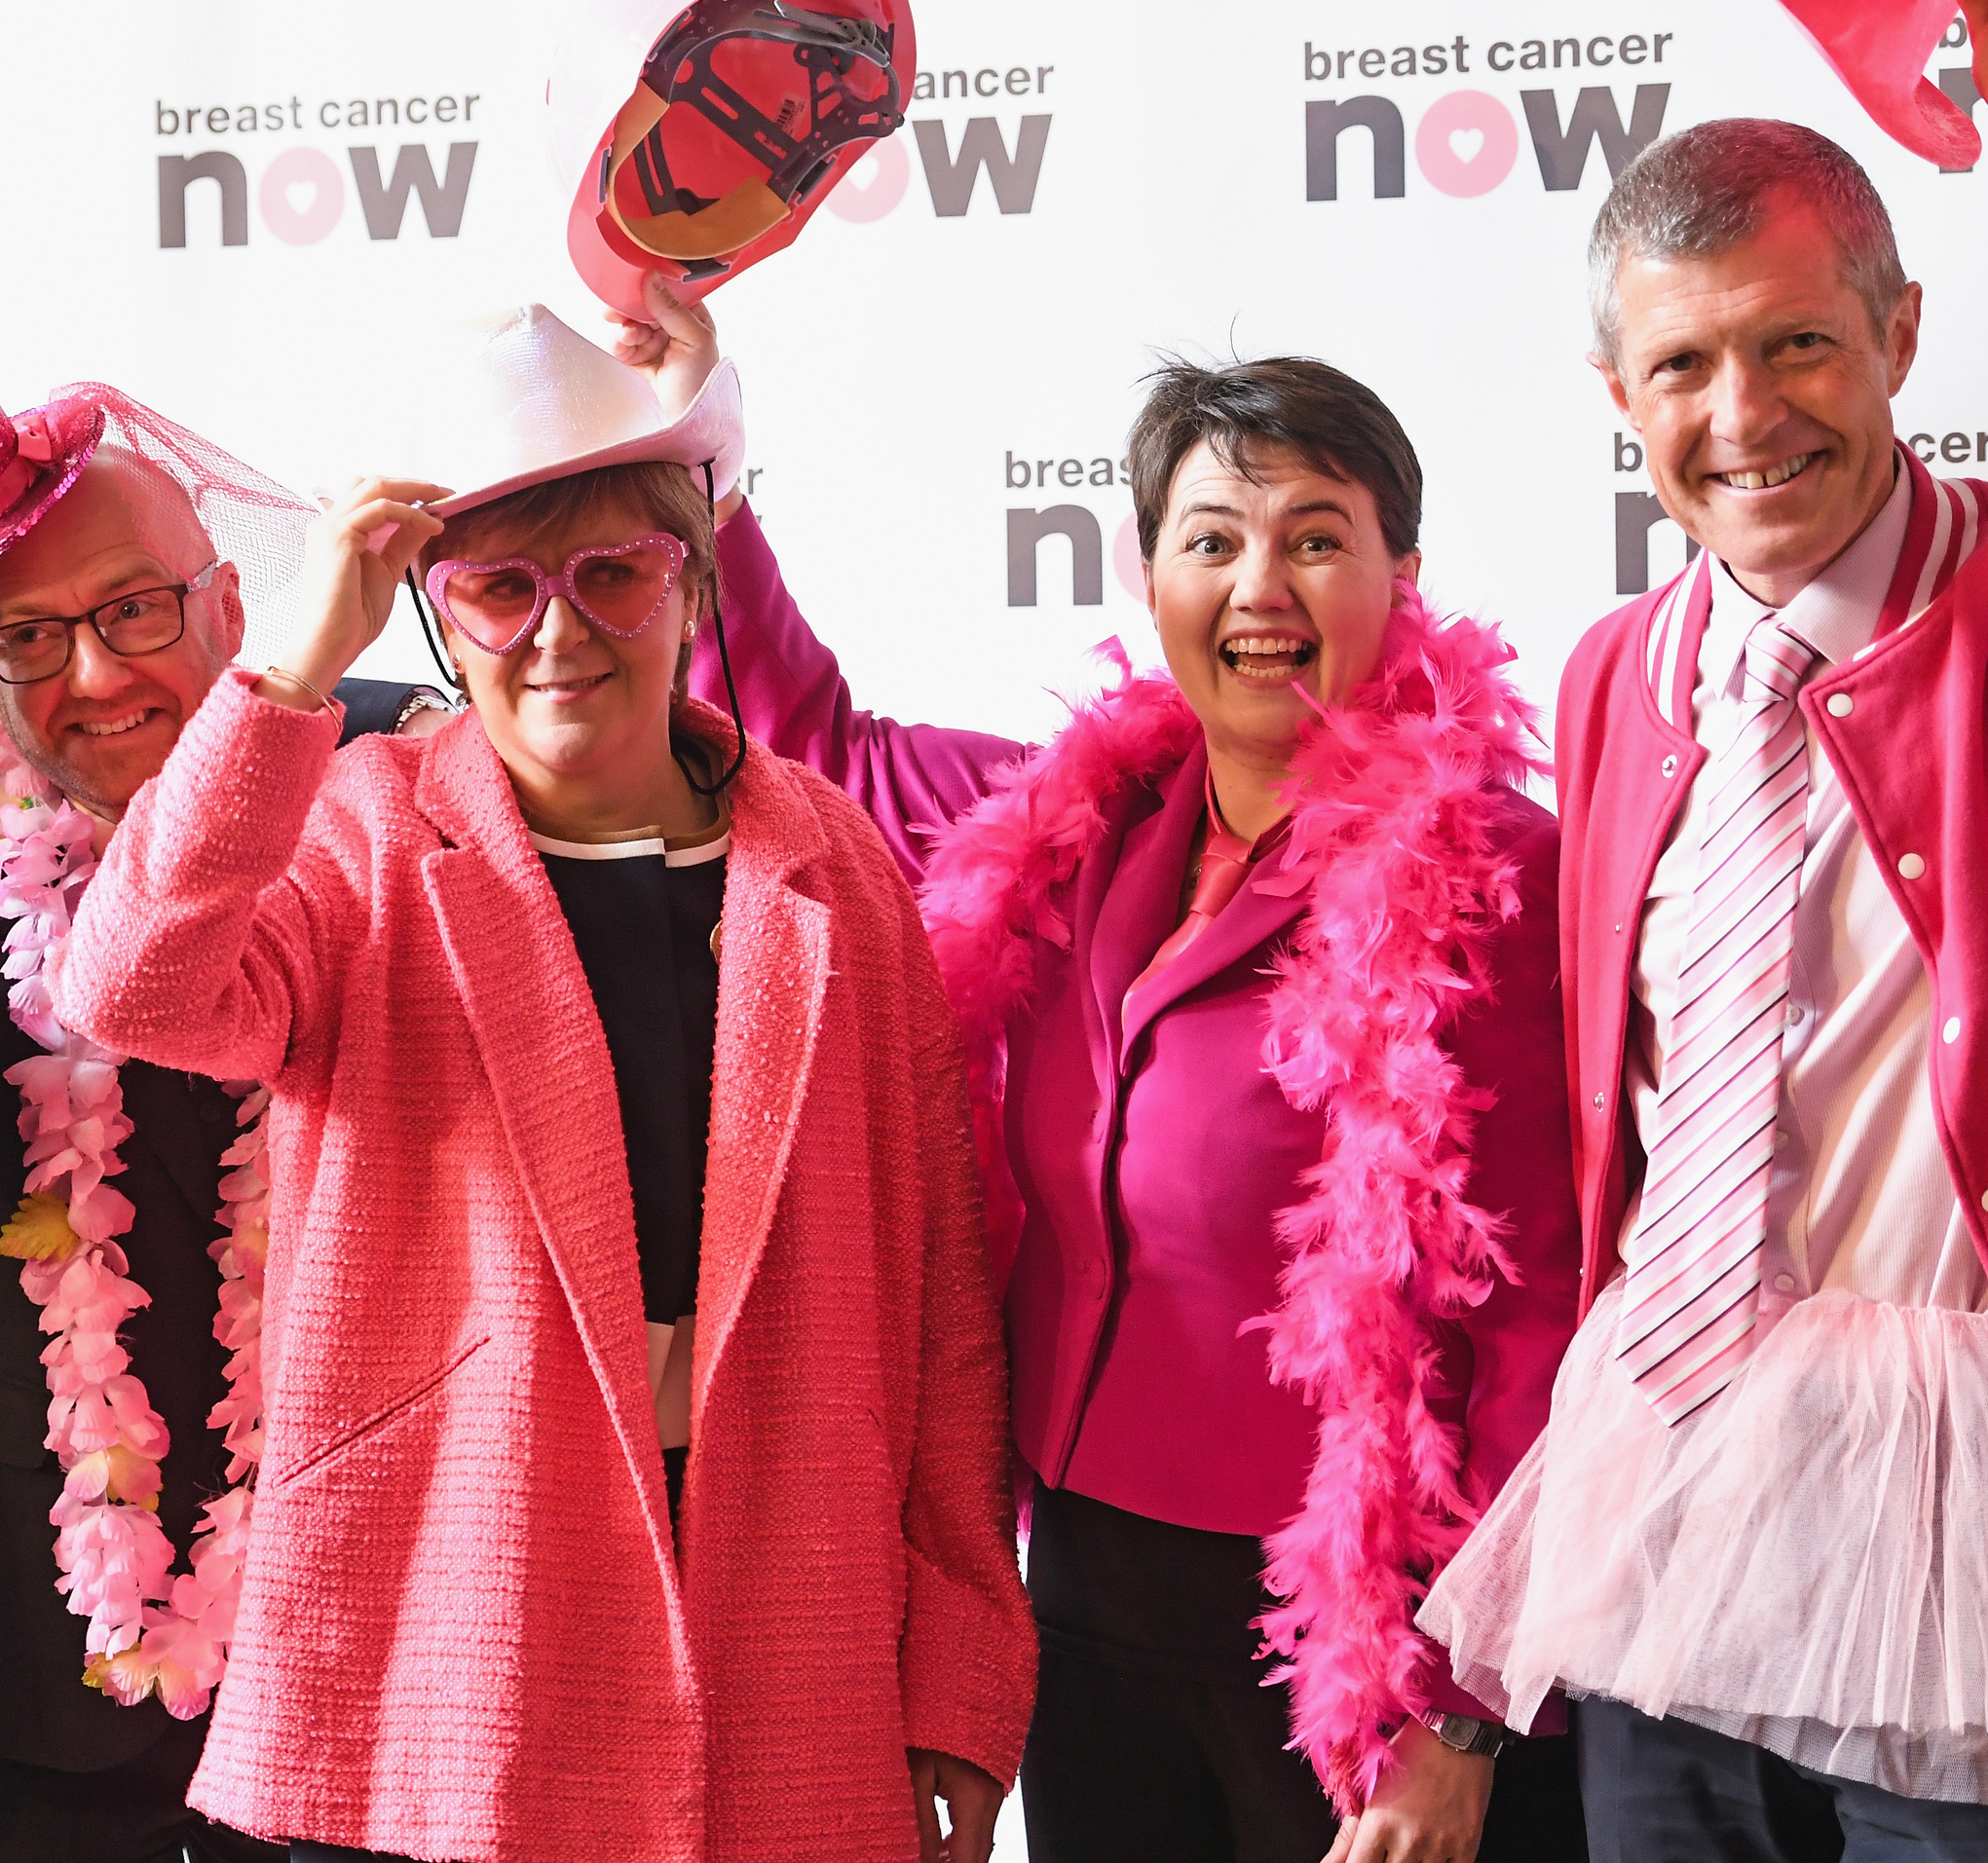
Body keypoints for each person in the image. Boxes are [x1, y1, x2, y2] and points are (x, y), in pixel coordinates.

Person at [1417, 0, 1988, 1862]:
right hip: (1664, 1523)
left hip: (1985, 1548)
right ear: (1618, 398)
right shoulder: (1620, 670)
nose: (1745, 417)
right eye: (1685, 365)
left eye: (1799, 343)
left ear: (1901, 336)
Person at [40, 303, 1037, 1863]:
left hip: (790, 1588)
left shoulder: (832, 864)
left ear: (689, 578)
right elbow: (130, 986)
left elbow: (944, 1305)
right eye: (500, 590)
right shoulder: (362, 831)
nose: (558, 634)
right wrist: (296, 667)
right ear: (437, 613)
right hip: (453, 1590)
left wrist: (966, 1677)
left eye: (610, 576)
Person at [626, 279, 1586, 1863]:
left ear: (1403, 581)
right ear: (1148, 578)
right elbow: (813, 748)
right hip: (1079, 1581)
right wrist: (696, 446)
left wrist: (1461, 1706)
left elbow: (1540, 1314)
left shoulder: (1490, 873)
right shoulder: (1085, 825)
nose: (1261, 586)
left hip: (1357, 1625)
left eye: (1316, 538)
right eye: (1211, 539)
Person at [0, 334, 441, 1863]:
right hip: (37, 1653)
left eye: (132, 610)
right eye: (28, 640)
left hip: (361, 1620)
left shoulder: (387, 777)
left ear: (227, 604)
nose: (93, 676)